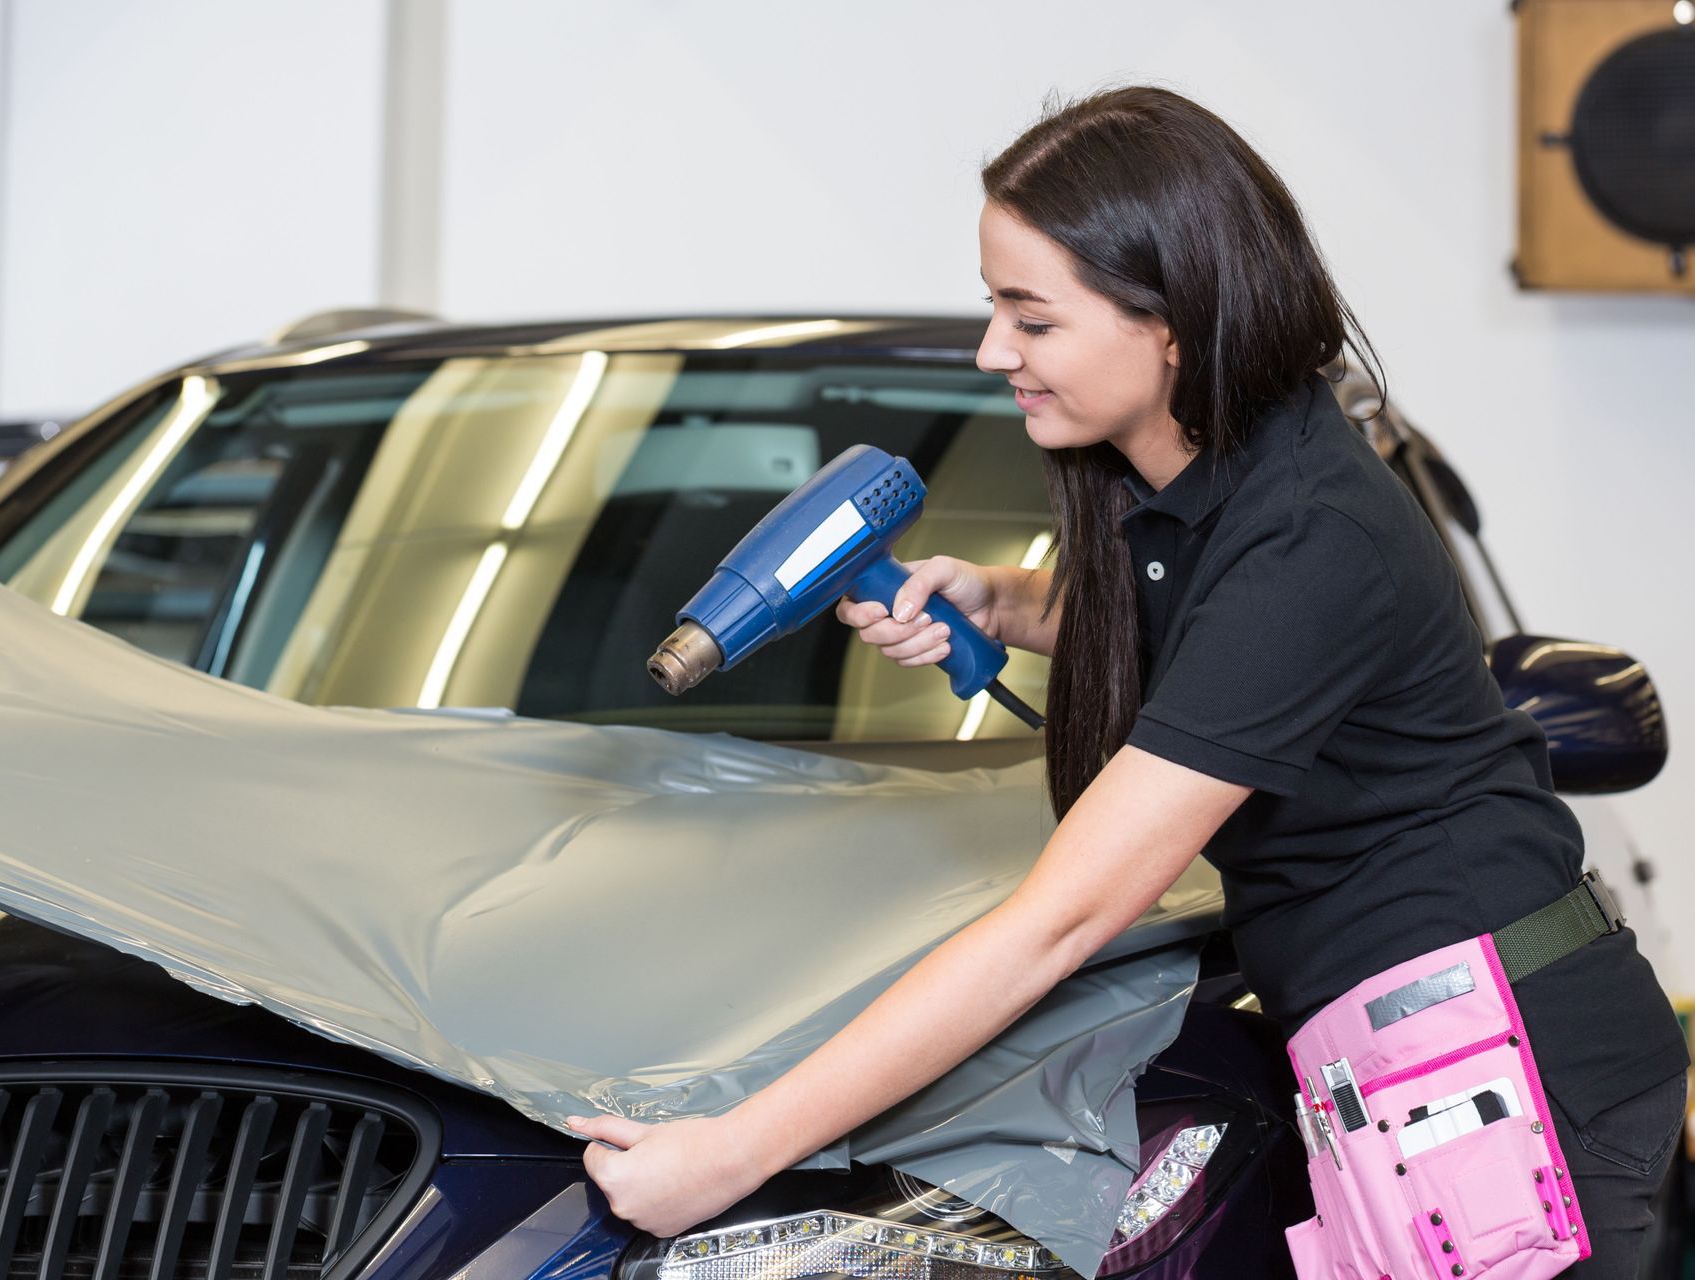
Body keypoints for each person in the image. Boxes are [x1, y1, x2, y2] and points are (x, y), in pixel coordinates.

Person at [566, 86, 1688, 1276]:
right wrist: (1006, 600)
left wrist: (733, 1153)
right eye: (994, 307)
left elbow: (1065, 917)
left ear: (1169, 325)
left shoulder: (1311, 533)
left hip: (1502, 1069)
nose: (996, 349)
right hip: (1389, 1055)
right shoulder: (1188, 474)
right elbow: (1213, 637)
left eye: (1030, 319)